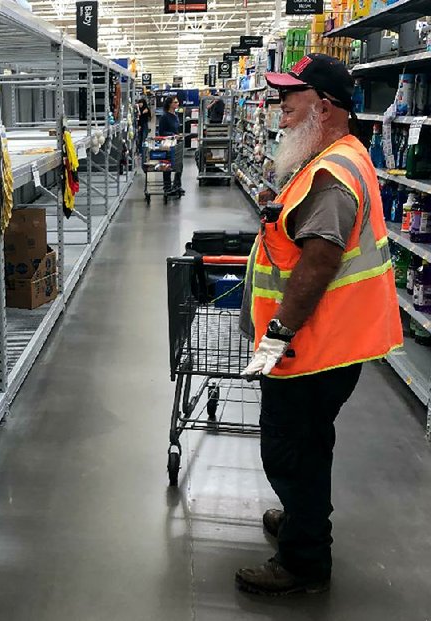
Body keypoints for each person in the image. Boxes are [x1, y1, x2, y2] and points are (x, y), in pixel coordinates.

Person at [236, 53, 403, 596]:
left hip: (311, 346)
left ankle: (304, 559)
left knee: (290, 450)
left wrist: (277, 335)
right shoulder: (336, 156)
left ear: (324, 107)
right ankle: (301, 520)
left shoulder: (331, 173)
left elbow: (320, 262)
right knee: (309, 443)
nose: (279, 104)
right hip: (329, 344)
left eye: (292, 95)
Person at [157, 96, 182, 194]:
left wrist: (178, 136)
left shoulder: (175, 116)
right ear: (170, 104)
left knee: (179, 165)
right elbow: (161, 132)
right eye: (175, 102)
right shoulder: (164, 117)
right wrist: (172, 135)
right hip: (167, 144)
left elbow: (176, 129)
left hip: (176, 143)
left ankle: (177, 186)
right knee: (167, 165)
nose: (177, 104)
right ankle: (167, 187)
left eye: (177, 102)